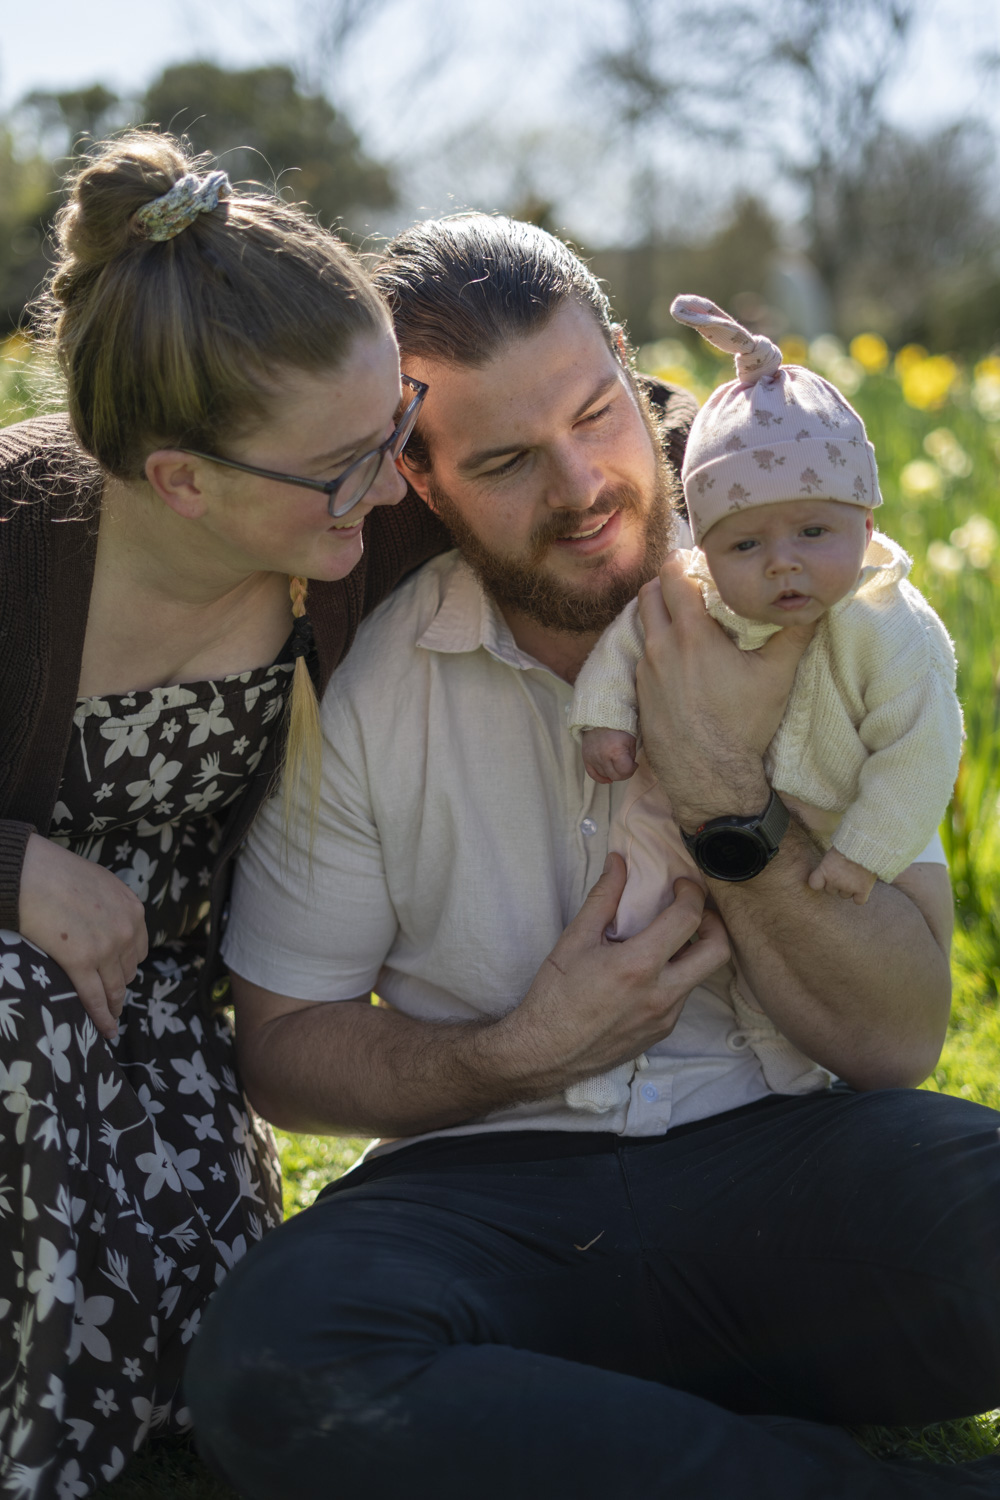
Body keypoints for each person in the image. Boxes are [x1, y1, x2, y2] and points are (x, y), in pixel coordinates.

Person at [188, 214, 1000, 1500]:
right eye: (505, 458)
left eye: (595, 414)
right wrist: (519, 1051)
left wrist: (724, 797)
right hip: (487, 1201)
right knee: (273, 1364)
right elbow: (287, 1048)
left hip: (787, 1165)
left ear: (633, 372)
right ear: (418, 474)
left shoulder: (838, 626)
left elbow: (897, 1038)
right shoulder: (362, 688)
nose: (579, 490)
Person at [0, 133, 449, 1495]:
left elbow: (598, 440)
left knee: (222, 1373)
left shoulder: (358, 521)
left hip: (163, 1028)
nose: (387, 482)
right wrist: (13, 863)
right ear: (182, 479)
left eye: (398, 427)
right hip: (18, 1008)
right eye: (341, 465)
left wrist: (760, 449)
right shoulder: (17, 538)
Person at [564, 293, 963, 1114]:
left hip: (854, 813)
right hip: (700, 807)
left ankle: (803, 1077)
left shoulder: (891, 625)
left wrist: (865, 849)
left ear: (866, 519)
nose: (784, 566)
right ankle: (600, 1051)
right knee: (648, 897)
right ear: (703, 546)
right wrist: (604, 715)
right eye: (747, 543)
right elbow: (630, 647)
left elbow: (924, 750)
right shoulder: (693, 594)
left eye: (815, 533)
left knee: (828, 946)